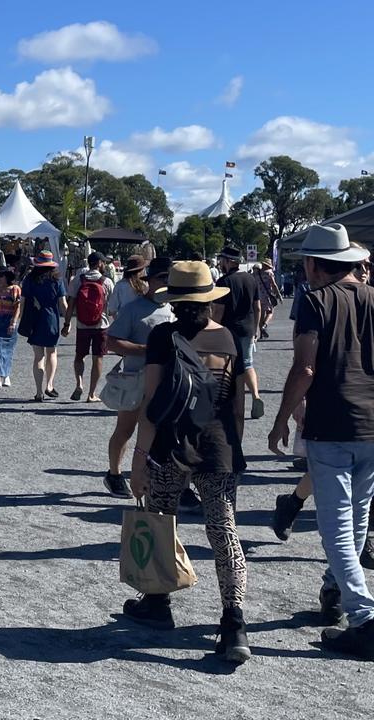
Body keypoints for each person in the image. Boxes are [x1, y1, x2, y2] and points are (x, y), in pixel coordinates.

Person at [126, 260, 250, 663]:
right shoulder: (229, 338)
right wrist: (233, 451)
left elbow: (151, 402)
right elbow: (236, 404)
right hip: (219, 448)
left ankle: (158, 600)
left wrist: (139, 459)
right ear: (209, 300)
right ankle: (234, 622)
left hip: (171, 447)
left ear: (175, 300)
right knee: (223, 530)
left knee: (161, 518)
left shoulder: (164, 336)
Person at [268, 223, 374, 659]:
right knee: (359, 515)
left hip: (332, 423)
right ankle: (333, 590)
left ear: (313, 264)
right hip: (372, 422)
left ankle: (364, 617)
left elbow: (305, 368)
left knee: (335, 528)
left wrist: (280, 421)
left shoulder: (314, 302)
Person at [102, 258, 174, 497]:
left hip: (167, 381)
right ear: (150, 281)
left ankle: (153, 477)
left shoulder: (174, 308)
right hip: (136, 379)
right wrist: (146, 351)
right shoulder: (133, 309)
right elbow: (112, 342)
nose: (166, 283)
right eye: (162, 278)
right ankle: (114, 474)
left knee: (161, 431)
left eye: (169, 278)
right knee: (126, 429)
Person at [212, 245, 264, 420]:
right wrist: (256, 329)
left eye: (222, 260)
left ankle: (234, 403)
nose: (220, 263)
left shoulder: (224, 282)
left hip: (229, 331)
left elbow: (218, 311)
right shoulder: (251, 279)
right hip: (248, 328)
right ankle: (256, 396)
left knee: (230, 367)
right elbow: (257, 307)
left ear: (228, 261)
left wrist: (213, 329)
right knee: (247, 363)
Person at [62, 251, 115, 402]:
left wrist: (66, 324)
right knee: (98, 358)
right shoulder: (107, 282)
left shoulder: (78, 280)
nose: (104, 264)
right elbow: (112, 308)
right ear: (99, 264)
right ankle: (91, 394)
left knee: (80, 356)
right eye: (103, 262)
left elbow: (70, 305)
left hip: (82, 325)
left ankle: (79, 383)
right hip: (101, 325)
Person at [22, 250, 68, 402]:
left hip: (35, 318)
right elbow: (63, 304)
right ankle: (49, 384)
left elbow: (23, 301)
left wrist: (22, 320)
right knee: (52, 353)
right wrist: (67, 323)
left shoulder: (29, 279)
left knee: (38, 356)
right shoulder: (57, 280)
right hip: (51, 319)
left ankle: (38, 391)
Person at [255, 260, 282, 338]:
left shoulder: (256, 274)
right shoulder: (269, 274)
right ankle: (265, 325)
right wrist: (278, 295)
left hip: (258, 296)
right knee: (270, 312)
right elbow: (274, 285)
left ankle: (261, 334)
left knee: (261, 315)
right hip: (267, 296)